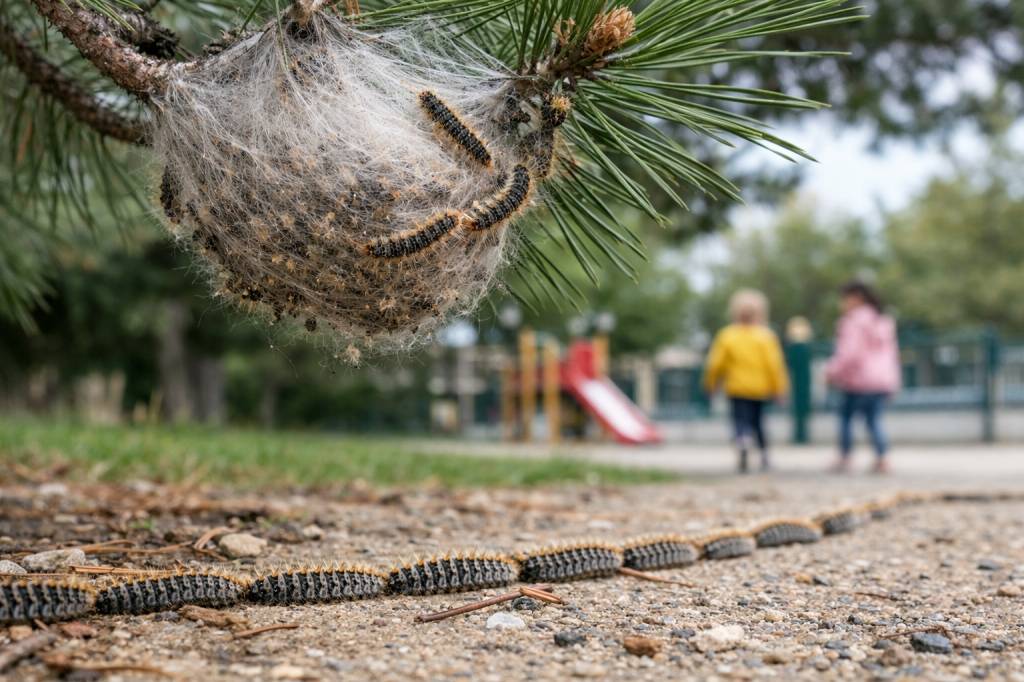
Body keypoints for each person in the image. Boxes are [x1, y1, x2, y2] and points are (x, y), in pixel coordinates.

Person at [704, 289, 789, 473]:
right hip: (759, 388)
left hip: (737, 388)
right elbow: (774, 365)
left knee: (739, 419)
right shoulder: (765, 337)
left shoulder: (727, 335)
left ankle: (742, 439)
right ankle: (764, 455)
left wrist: (711, 384)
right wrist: (779, 389)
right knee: (758, 421)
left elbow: (715, 364)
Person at [825, 280, 901, 474]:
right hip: (880, 381)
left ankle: (845, 456)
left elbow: (850, 354)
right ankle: (882, 458)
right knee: (874, 420)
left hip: (858, 380)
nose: (841, 304)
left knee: (845, 418)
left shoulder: (853, 322)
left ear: (856, 298)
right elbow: (892, 355)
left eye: (843, 299)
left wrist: (832, 372)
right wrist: (893, 381)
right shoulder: (882, 321)